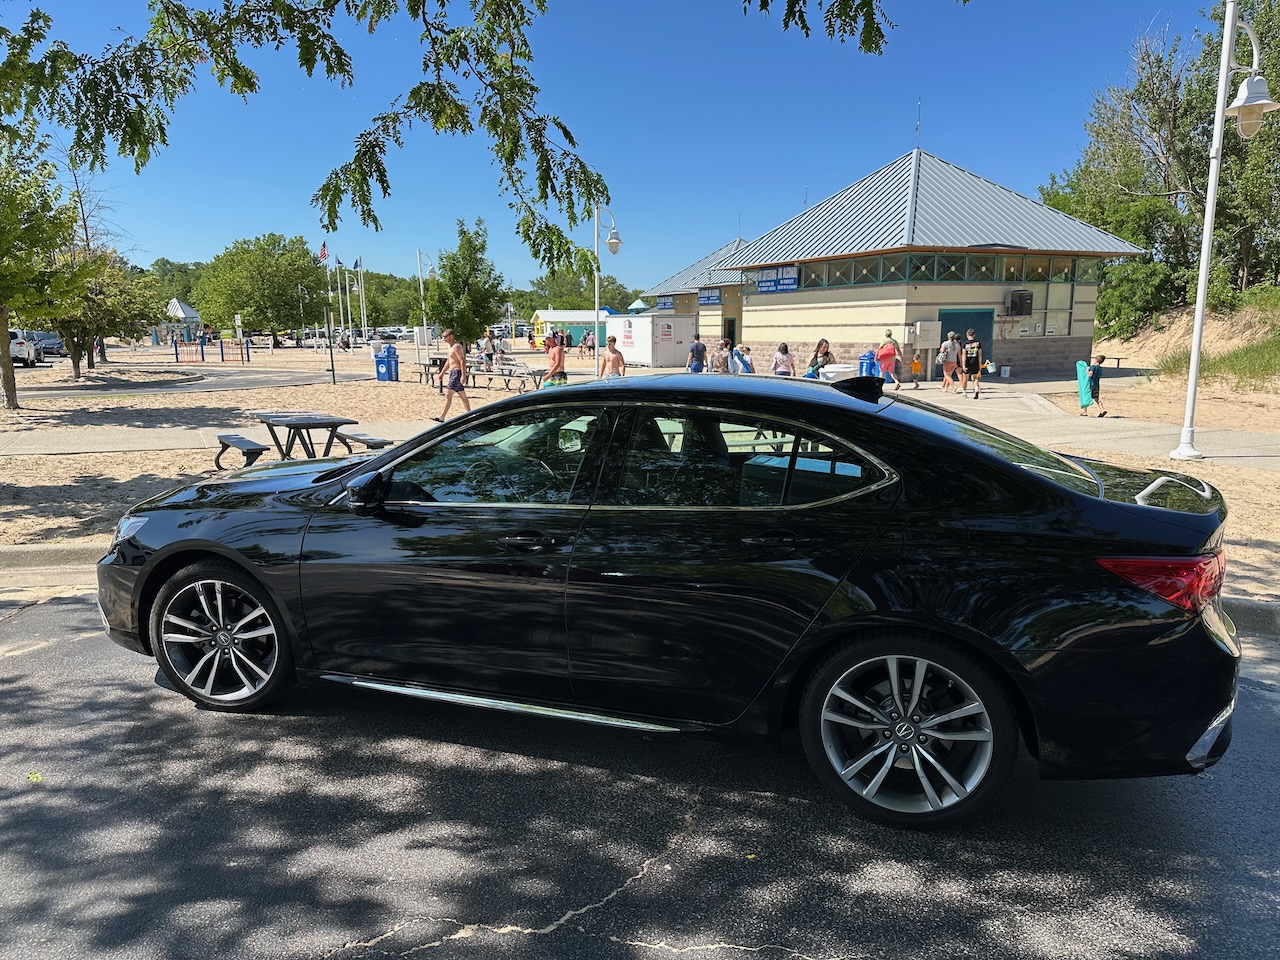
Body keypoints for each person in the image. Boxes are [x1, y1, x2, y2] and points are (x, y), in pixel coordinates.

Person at [431, 328, 471, 421]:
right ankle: (469, 414)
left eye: (445, 336)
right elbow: (449, 361)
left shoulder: (457, 347)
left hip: (457, 372)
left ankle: (442, 417)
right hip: (453, 372)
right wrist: (442, 372)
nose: (444, 338)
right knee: (462, 395)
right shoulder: (450, 347)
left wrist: (463, 375)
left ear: (451, 336)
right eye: (443, 337)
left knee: (448, 394)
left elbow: (462, 361)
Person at [960, 327, 984, 399]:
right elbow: (980, 354)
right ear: (974, 335)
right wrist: (979, 364)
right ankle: (976, 388)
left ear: (967, 335)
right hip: (975, 362)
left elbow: (963, 355)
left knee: (965, 378)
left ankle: (964, 392)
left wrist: (963, 365)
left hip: (967, 362)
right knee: (974, 377)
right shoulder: (978, 343)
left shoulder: (965, 344)